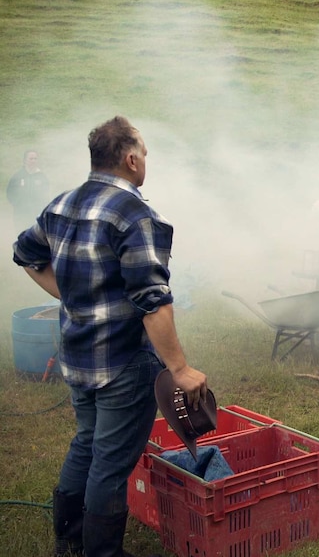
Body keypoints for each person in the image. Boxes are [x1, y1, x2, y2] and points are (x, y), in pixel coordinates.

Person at [12, 116, 208, 557]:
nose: (146, 163)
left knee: (86, 441)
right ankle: (100, 552)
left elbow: (25, 253)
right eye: (146, 155)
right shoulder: (137, 216)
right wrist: (180, 368)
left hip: (77, 353)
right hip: (123, 361)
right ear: (132, 158)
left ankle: (69, 540)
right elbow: (152, 301)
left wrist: (71, 297)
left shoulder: (61, 204)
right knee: (110, 462)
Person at [6, 149, 51, 230]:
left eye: (35, 158)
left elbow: (46, 194)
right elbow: (10, 193)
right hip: (21, 214)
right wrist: (18, 204)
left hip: (37, 215)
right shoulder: (17, 176)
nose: (33, 161)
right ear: (25, 160)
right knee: (21, 235)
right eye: (31, 158)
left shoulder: (42, 177)